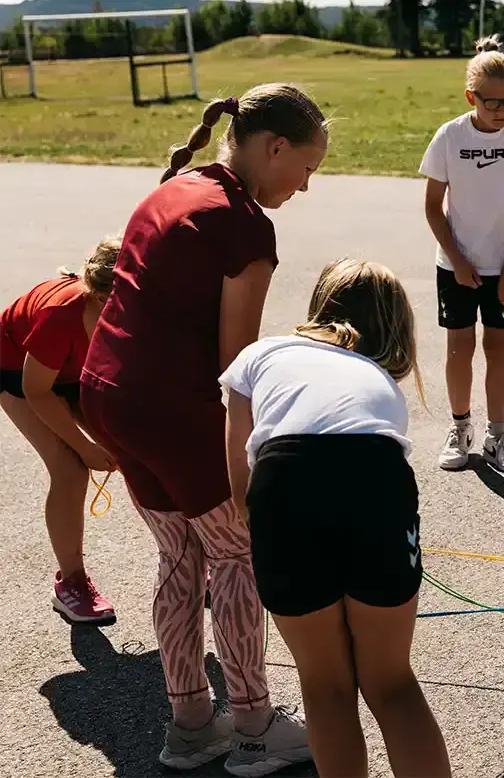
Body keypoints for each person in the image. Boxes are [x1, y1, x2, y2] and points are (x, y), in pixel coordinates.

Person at [79, 83, 327, 774]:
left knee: (179, 555)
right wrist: (267, 450)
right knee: (237, 554)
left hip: (109, 396)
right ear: (275, 148)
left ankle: (191, 724)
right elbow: (235, 367)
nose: (305, 186)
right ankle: (253, 724)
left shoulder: (174, 189)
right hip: (174, 412)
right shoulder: (244, 227)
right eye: (307, 168)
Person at [221, 258, 451, 778]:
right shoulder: (379, 378)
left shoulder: (259, 356)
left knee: (325, 683)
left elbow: (240, 484)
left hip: (284, 483)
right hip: (375, 478)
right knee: (390, 681)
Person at [420, 34, 504, 474]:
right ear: (470, 96)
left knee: (498, 346)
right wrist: (458, 261)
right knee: (460, 347)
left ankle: (497, 437)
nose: (502, 110)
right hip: (455, 266)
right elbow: (432, 206)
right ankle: (460, 429)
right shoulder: (449, 136)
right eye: (492, 102)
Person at [0, 237, 121, 625]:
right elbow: (37, 391)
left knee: (135, 449)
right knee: (70, 469)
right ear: (102, 296)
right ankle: (71, 583)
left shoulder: (133, 308)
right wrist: (85, 447)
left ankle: (185, 560)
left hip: (71, 367)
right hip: (19, 370)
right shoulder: (61, 315)